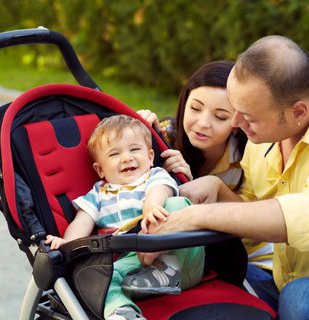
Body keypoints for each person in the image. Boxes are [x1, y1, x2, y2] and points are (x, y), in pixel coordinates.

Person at [149, 35, 309, 318]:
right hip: (282, 280)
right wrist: (219, 190)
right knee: (207, 275)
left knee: (303, 298)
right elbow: (255, 212)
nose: (236, 123)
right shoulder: (263, 139)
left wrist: (197, 216)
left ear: (297, 112)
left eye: (247, 116)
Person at [45, 115, 205, 320]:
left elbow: (161, 190)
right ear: (100, 169)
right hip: (134, 263)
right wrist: (67, 244)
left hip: (183, 259)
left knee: (177, 205)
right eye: (114, 154)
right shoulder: (98, 194)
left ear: (150, 156)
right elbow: (82, 221)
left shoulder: (154, 176)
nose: (127, 158)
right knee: (97, 277)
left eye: (134, 150)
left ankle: (167, 269)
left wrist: (151, 206)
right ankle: (122, 312)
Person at [137, 60, 274, 282]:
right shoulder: (166, 136)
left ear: (238, 121)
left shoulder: (250, 155)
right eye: (195, 108)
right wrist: (136, 134)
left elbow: (254, 221)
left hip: (242, 258)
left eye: (220, 116)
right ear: (184, 103)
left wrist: (208, 188)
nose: (203, 123)